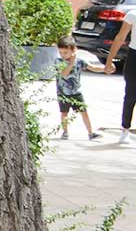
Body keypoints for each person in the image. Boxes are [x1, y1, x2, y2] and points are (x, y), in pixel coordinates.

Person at [55, 37, 101, 141]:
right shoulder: (58, 61)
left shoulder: (79, 62)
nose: (63, 55)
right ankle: (65, 131)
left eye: (65, 52)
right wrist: (71, 63)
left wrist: (105, 69)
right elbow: (64, 74)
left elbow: (92, 67)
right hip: (63, 93)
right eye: (61, 52)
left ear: (73, 50)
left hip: (76, 92)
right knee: (64, 113)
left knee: (84, 112)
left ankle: (90, 132)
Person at [103, 14, 136, 145]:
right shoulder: (133, 14)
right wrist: (109, 60)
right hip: (135, 56)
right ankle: (125, 129)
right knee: (131, 95)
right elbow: (120, 37)